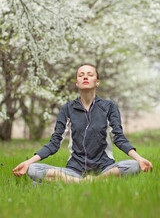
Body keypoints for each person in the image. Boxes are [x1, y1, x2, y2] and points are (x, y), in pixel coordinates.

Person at [13, 64, 153, 184]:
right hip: (74, 169)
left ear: (97, 82)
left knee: (133, 166)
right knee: (33, 169)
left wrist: (139, 158)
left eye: (90, 74)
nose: (85, 77)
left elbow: (118, 138)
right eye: (81, 75)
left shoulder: (108, 106)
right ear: (76, 83)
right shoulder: (67, 108)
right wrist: (28, 161)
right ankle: (82, 183)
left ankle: (91, 181)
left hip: (104, 168)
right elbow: (55, 142)